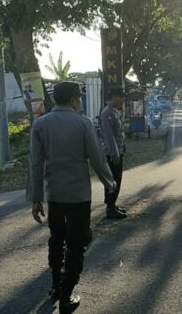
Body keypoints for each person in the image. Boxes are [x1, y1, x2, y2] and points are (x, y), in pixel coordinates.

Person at [27, 81, 116, 314]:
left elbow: (35, 164)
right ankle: (67, 297)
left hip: (54, 195)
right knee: (77, 243)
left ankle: (56, 287)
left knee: (57, 239)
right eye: (80, 99)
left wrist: (36, 198)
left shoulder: (40, 124)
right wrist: (110, 181)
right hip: (78, 196)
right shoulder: (83, 123)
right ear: (75, 100)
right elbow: (96, 157)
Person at [100, 86, 128, 220]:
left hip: (118, 151)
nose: (122, 99)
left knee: (117, 179)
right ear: (114, 97)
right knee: (112, 181)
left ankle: (113, 204)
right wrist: (115, 154)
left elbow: (119, 134)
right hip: (112, 154)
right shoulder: (107, 113)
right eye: (120, 97)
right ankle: (110, 208)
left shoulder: (115, 111)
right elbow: (108, 136)